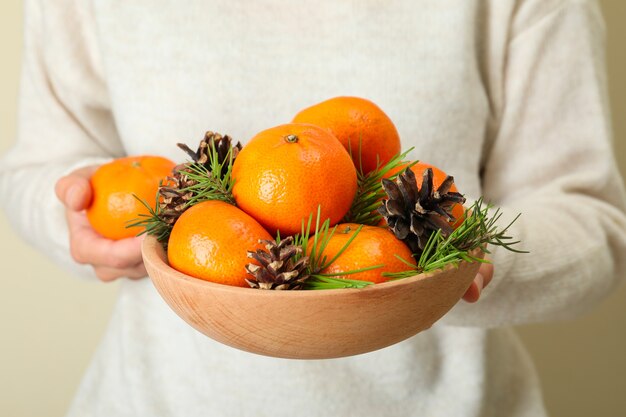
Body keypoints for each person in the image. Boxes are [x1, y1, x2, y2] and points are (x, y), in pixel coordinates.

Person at [2, 0, 625, 416]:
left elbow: (593, 219)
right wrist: (77, 217)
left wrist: (464, 257)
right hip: (155, 399)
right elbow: (38, 165)